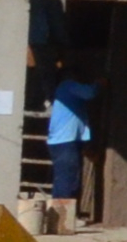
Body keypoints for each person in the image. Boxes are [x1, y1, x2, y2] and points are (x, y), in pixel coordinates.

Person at [43, 69, 100, 221]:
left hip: (66, 141)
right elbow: (90, 93)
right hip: (64, 142)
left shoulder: (66, 90)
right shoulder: (68, 86)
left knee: (69, 179)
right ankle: (61, 219)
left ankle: (65, 217)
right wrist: (100, 83)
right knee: (66, 181)